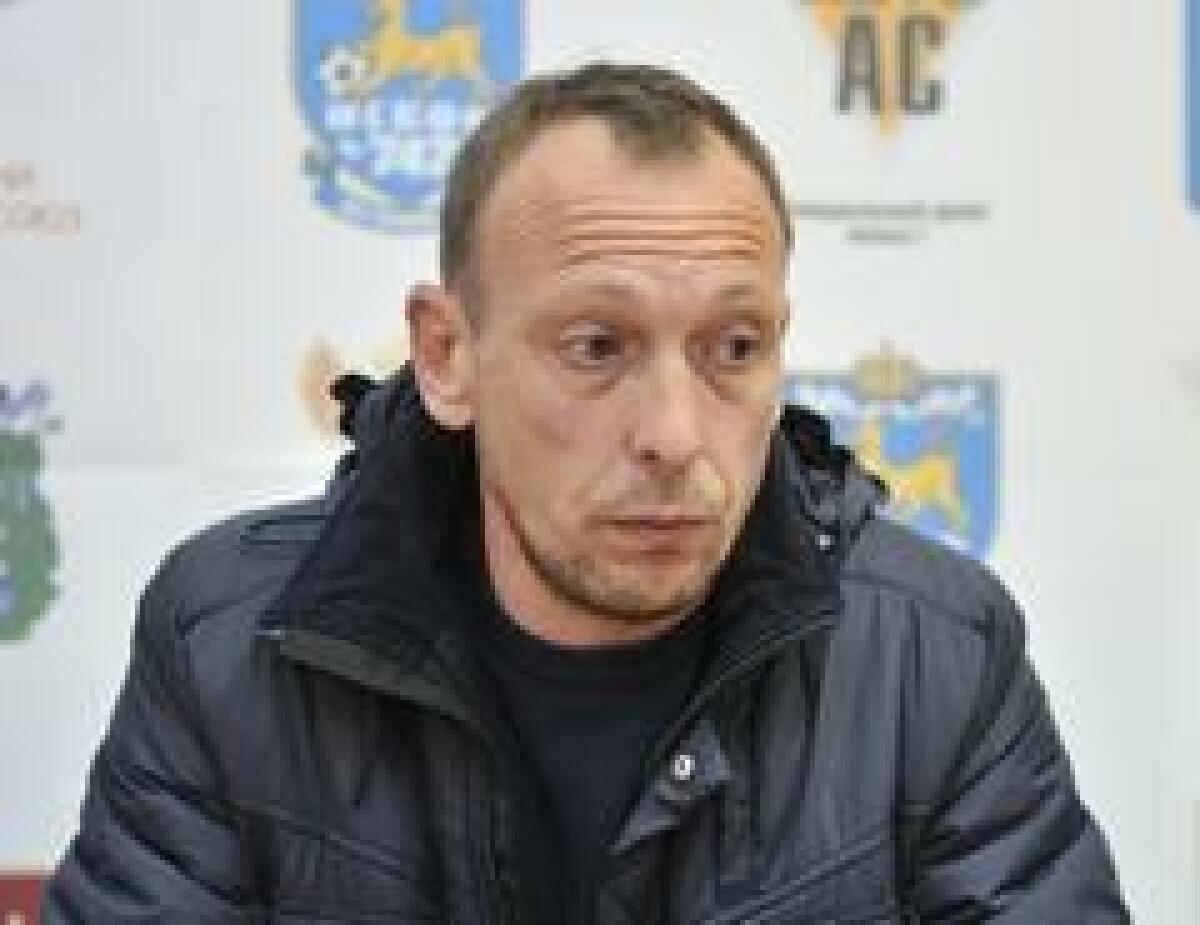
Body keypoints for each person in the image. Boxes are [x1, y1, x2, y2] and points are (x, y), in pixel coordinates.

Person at [44, 62, 1128, 922]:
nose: (674, 435)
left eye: (734, 346)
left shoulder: (934, 655)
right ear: (448, 355)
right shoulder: (229, 643)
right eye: (598, 345)